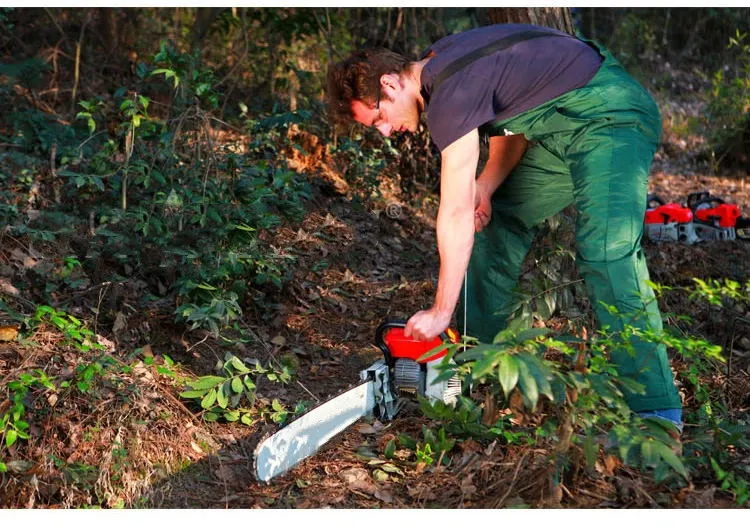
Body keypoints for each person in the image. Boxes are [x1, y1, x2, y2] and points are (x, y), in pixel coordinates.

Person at [326, 23, 682, 429]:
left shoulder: (449, 94)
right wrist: (488, 185)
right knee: (493, 227)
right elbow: (513, 118)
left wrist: (441, 310)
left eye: (379, 119)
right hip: (554, 130)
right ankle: (474, 372)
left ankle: (656, 412)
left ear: (390, 83)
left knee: (605, 250)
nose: (387, 131)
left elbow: (454, 211)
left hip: (610, 116)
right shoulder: (440, 59)